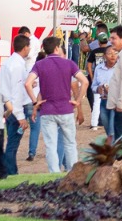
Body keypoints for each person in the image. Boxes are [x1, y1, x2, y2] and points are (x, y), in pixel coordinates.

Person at [26, 36, 86, 174]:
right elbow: (84, 82)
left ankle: (54, 173)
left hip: (48, 110)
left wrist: (35, 102)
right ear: (57, 48)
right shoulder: (69, 64)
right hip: (66, 109)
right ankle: (72, 172)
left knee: (51, 145)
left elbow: (28, 83)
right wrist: (77, 100)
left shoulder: (39, 65)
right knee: (70, 143)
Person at [0, 35, 36, 174]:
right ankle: (9, 172)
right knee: (13, 143)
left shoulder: (9, 62)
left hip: (8, 106)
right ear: (25, 47)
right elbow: (16, 92)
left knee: (12, 141)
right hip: (14, 108)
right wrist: (20, 116)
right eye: (29, 47)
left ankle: (11, 171)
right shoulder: (17, 65)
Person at [90, 44, 118, 138]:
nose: (113, 55)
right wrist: (98, 88)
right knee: (107, 129)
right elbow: (93, 86)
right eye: (110, 53)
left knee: (111, 131)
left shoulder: (120, 68)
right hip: (104, 102)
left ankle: (113, 150)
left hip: (116, 103)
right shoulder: (99, 68)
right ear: (104, 56)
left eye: (115, 53)